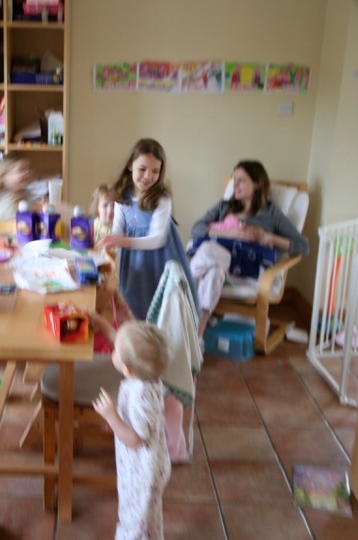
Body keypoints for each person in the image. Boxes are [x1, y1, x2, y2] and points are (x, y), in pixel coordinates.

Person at [189, 160, 309, 339]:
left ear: (257, 184)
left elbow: (303, 246)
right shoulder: (224, 205)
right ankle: (196, 336)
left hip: (244, 272)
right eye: (234, 179)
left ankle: (182, 294)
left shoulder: (270, 213)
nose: (234, 185)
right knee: (214, 271)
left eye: (240, 180)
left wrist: (269, 238)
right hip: (216, 267)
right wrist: (230, 233)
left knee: (206, 249)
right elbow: (196, 228)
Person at [96, 138, 197, 320]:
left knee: (164, 305)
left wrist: (123, 241)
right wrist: (110, 242)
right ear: (130, 165)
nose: (148, 176)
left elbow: (157, 239)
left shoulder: (161, 198)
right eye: (142, 169)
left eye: (155, 171)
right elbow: (118, 230)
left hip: (163, 258)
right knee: (136, 302)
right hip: (134, 260)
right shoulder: (121, 196)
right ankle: (140, 341)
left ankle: (169, 342)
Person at [92, 320, 171, 540]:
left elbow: (136, 439)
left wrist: (112, 416)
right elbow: (122, 342)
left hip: (142, 471)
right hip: (152, 465)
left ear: (127, 369)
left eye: (115, 350)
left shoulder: (141, 395)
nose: (113, 349)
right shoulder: (147, 377)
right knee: (149, 515)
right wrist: (99, 320)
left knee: (133, 519)